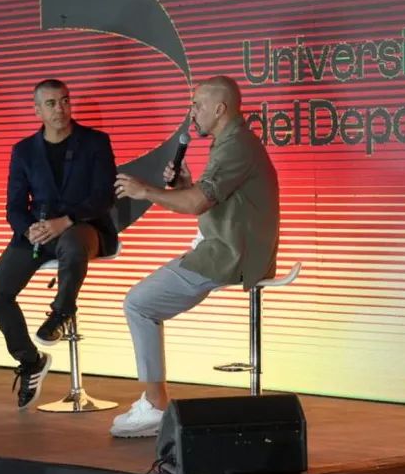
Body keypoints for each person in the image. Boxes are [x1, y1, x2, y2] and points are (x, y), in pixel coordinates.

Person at [110, 75, 280, 437]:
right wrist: (186, 184)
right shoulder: (230, 142)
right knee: (141, 302)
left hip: (231, 255)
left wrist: (146, 191)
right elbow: (202, 202)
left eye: (197, 105)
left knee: (139, 303)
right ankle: (154, 402)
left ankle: (155, 406)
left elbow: (199, 203)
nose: (192, 113)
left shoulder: (236, 146)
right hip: (223, 246)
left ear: (220, 108)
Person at [0, 79, 118, 410]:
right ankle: (30, 360)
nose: (59, 109)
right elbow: (14, 205)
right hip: (38, 232)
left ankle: (60, 314)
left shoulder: (95, 143)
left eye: (64, 101)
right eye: (51, 103)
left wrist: (67, 219)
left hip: (83, 226)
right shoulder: (24, 150)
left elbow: (104, 196)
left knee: (73, 246)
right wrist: (28, 228)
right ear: (37, 110)